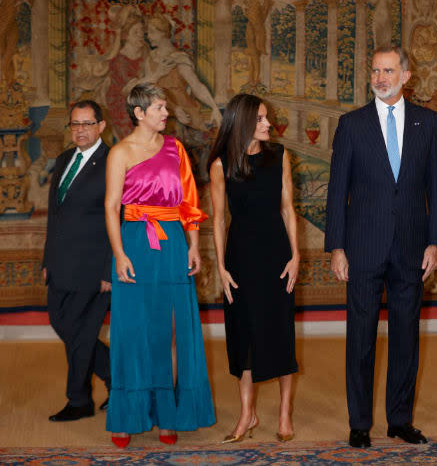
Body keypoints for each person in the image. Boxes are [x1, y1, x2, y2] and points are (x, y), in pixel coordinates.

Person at [324, 45, 437, 448]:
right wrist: (337, 247)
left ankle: (400, 419)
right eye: (375, 70)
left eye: (388, 70)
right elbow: (337, 190)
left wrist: (436, 242)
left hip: (413, 247)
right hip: (362, 247)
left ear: (406, 76)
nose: (380, 77)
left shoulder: (430, 124)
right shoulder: (351, 124)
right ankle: (359, 422)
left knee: (406, 337)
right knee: (360, 337)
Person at [104, 83, 215, 448]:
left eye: (165, 107)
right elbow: (110, 207)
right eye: (159, 108)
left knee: (168, 331)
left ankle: (167, 412)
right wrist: (119, 255)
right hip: (134, 242)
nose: (166, 114)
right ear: (139, 113)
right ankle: (126, 415)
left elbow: (190, 202)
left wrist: (194, 244)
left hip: (172, 245)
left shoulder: (175, 149)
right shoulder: (119, 152)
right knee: (131, 330)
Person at [208, 94, 299, 443]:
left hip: (276, 255)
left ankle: (284, 413)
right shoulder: (221, 164)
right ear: (243, 122)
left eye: (267, 118)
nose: (267, 124)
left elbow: (288, 209)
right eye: (260, 119)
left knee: (280, 333)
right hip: (240, 257)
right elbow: (218, 220)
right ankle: (248, 414)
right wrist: (221, 266)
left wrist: (295, 257)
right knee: (243, 336)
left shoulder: (279, 156)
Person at [42, 100, 112, 422]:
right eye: (75, 124)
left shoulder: (113, 162)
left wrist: (110, 269)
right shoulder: (63, 160)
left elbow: (120, 219)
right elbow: (54, 215)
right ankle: (117, 376)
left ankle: (79, 400)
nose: (80, 130)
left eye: (86, 123)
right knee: (62, 323)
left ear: (101, 126)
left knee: (83, 334)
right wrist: (47, 259)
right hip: (61, 263)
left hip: (94, 266)